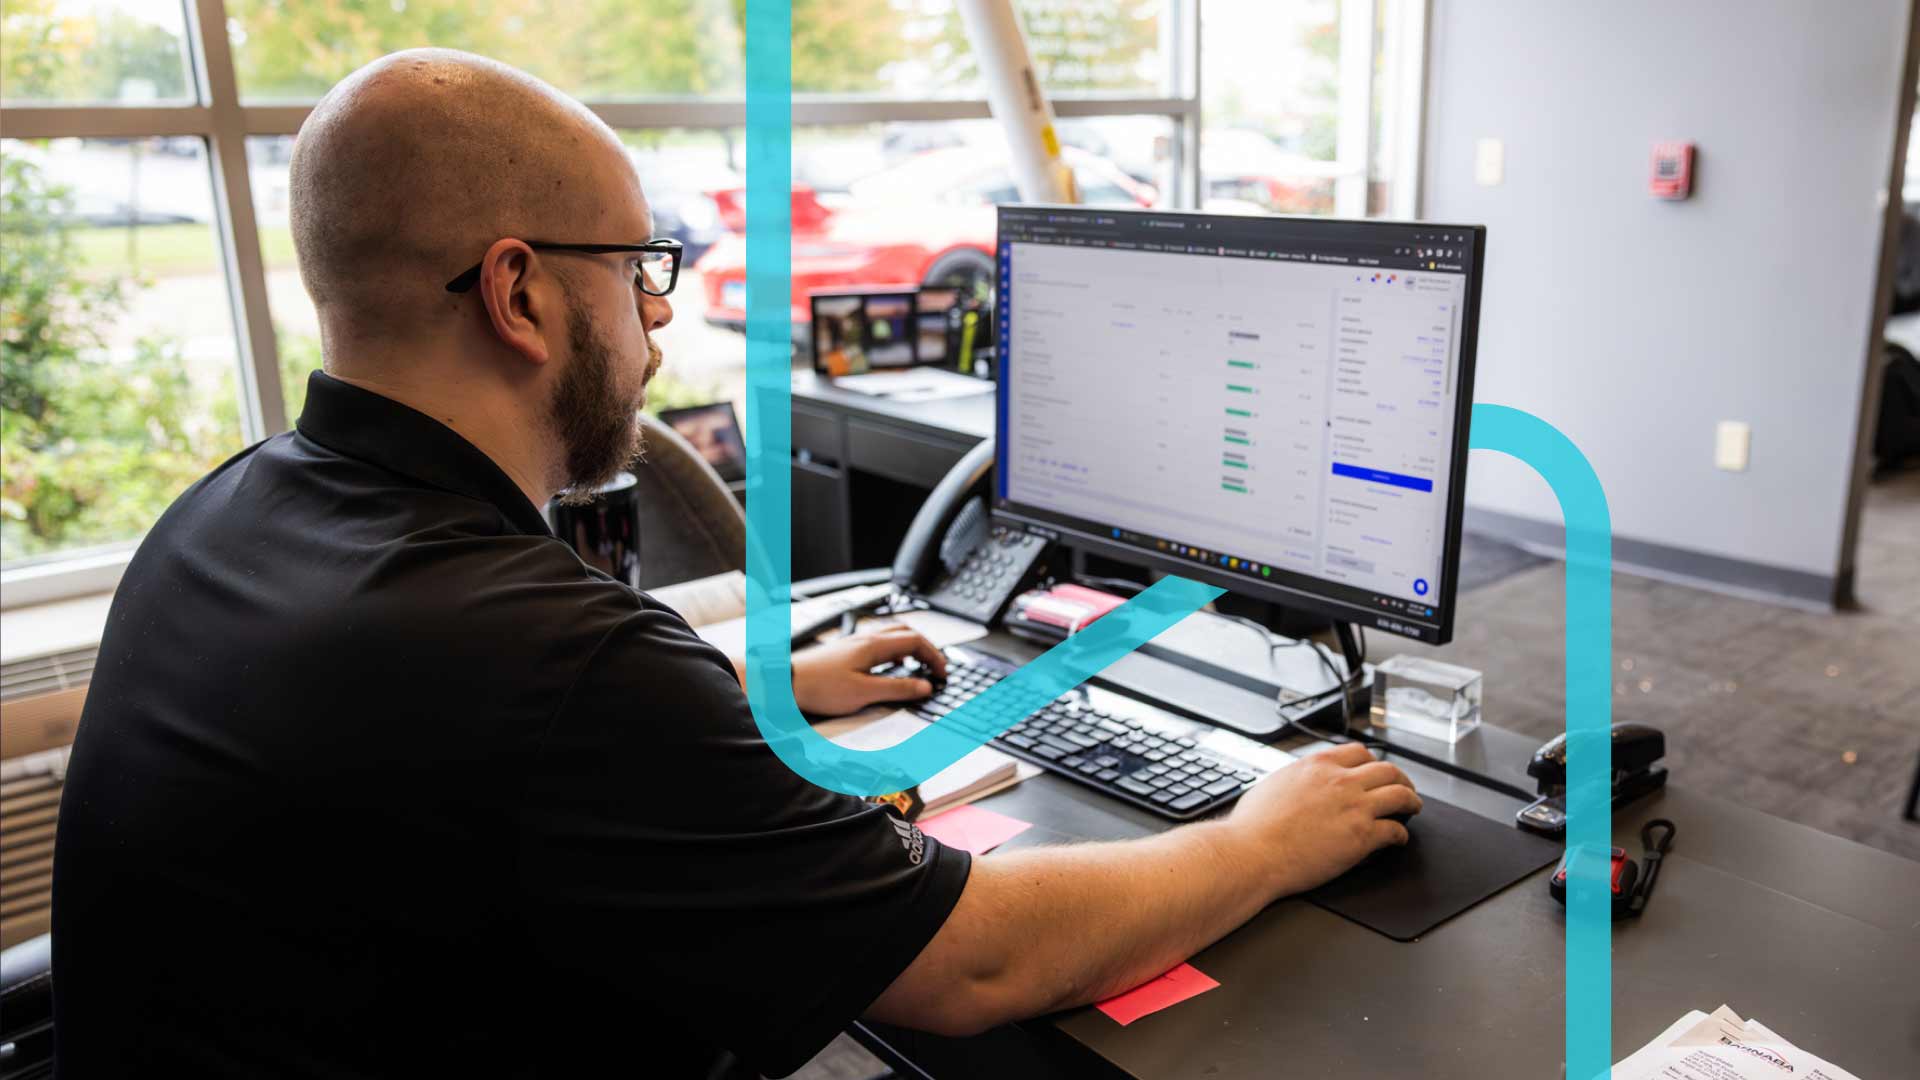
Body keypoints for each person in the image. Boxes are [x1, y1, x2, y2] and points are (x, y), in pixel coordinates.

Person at [50, 50, 1420, 1078]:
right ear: (521, 294)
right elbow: (979, 956)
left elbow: (443, 734)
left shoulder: (229, 513)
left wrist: (746, 679)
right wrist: (1259, 838)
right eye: (640, 271)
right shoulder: (554, 659)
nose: (656, 327)